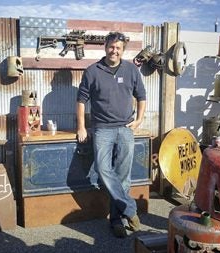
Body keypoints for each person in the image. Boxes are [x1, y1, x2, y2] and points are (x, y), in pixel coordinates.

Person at [76, 31, 146, 238]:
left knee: (123, 177)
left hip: (125, 129)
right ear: (105, 47)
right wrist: (81, 127)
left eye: (118, 48)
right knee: (103, 170)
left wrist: (140, 119)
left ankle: (118, 221)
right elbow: (81, 101)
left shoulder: (132, 70)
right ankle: (131, 210)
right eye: (111, 47)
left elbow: (141, 96)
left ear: (123, 50)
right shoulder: (92, 71)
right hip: (102, 130)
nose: (114, 51)